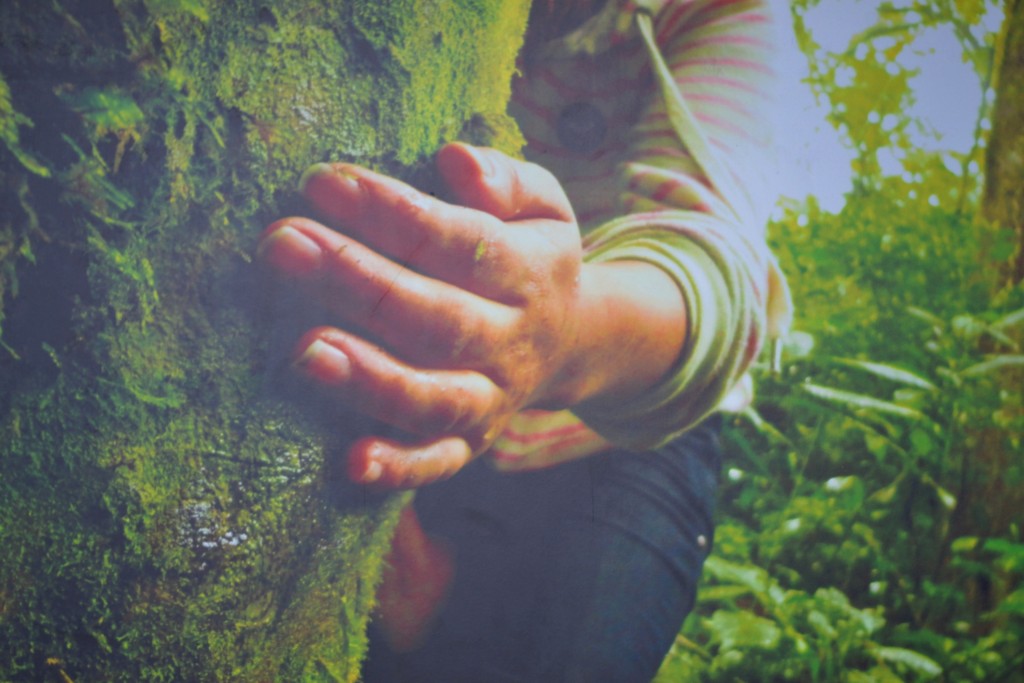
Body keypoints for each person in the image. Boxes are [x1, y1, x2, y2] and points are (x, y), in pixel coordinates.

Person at [256, 0, 792, 680]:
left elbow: (713, 278)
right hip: (419, 410)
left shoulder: (720, 13)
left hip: (619, 444)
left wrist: (562, 332)